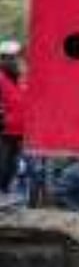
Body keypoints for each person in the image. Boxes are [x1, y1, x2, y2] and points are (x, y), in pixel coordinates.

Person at [0, 40, 26, 193]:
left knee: (12, 167)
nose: (17, 61)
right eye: (13, 57)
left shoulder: (20, 79)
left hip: (20, 132)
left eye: (18, 57)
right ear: (4, 59)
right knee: (3, 164)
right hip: (4, 131)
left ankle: (5, 191)